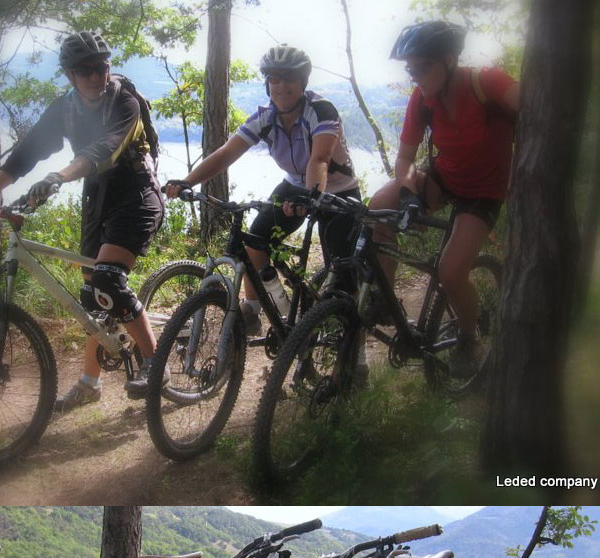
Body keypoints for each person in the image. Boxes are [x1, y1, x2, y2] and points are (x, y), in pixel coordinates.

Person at [0, 30, 165, 409]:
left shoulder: (126, 101)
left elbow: (103, 150)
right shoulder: (65, 108)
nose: (95, 76)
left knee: (107, 281)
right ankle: (90, 384)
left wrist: (59, 176)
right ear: (69, 75)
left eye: (101, 67)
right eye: (84, 70)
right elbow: (24, 155)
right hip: (98, 198)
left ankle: (155, 364)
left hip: (137, 194)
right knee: (94, 299)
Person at [165, 45, 363, 359]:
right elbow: (226, 153)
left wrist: (311, 198)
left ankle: (356, 356)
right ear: (267, 83)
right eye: (274, 79)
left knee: (341, 276)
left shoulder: (321, 111)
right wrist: (188, 181)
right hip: (294, 186)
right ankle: (255, 309)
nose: (281, 86)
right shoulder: (265, 117)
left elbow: (320, 159)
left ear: (303, 82)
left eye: (289, 79)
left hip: (338, 193)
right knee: (254, 241)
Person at [370, 20, 519, 377]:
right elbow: (405, 159)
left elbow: (542, 110)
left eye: (422, 68)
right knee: (379, 204)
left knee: (451, 272)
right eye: (411, 70)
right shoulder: (422, 99)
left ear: (450, 60)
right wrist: (406, 191)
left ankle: (469, 338)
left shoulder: (488, 83)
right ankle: (386, 299)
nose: (416, 77)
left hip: (485, 191)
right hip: (445, 177)